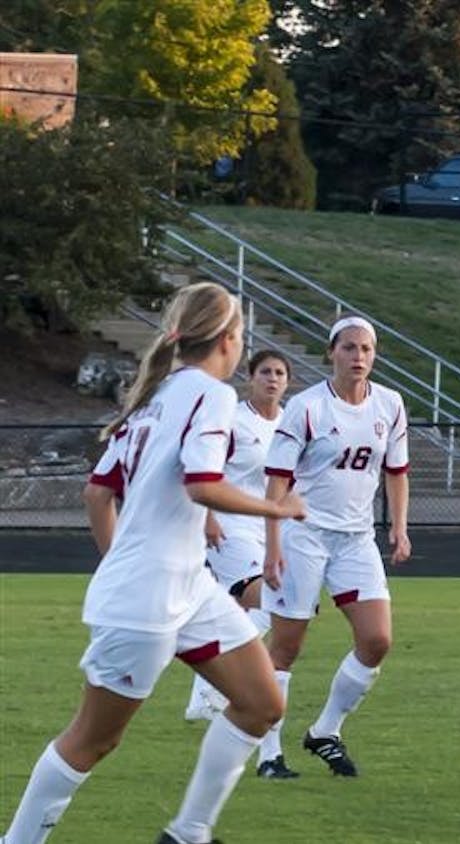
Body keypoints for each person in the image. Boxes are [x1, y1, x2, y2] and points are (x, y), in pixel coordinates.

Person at [2, 282, 306, 844]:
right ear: (230, 339)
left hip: (187, 586)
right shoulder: (211, 395)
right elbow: (202, 485)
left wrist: (124, 561)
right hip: (147, 594)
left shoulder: (157, 396)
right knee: (92, 740)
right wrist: (274, 506)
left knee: (262, 703)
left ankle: (188, 833)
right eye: (241, 336)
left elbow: (98, 494)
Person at [261, 316, 411, 777]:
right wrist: (272, 547)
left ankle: (326, 730)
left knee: (377, 639)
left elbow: (396, 471)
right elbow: (277, 483)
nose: (358, 357)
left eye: (366, 349)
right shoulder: (307, 408)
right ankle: (268, 754)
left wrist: (400, 527)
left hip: (356, 539)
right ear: (332, 353)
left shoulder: (390, 404)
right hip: (303, 535)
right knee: (286, 647)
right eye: (349, 348)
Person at [181, 349, 304, 779]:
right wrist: (209, 518)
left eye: (280, 373)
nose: (273, 379)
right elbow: (202, 471)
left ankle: (208, 678)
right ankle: (213, 680)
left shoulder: (290, 422)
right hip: (230, 525)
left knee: (263, 611)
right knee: (270, 603)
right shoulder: (233, 419)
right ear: (250, 378)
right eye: (265, 372)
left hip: (270, 528)